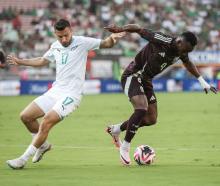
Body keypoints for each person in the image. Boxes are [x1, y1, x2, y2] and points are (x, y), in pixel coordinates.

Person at [6, 19, 125, 169]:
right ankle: (43, 146)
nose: (63, 39)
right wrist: (20, 61)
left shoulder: (82, 42)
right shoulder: (55, 46)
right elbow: (43, 60)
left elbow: (106, 43)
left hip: (72, 95)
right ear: (55, 34)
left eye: (66, 35)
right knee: (26, 116)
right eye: (60, 36)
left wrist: (113, 38)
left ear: (71, 30)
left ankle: (23, 159)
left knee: (47, 121)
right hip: (55, 91)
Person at [104, 24, 218, 166]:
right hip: (133, 75)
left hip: (146, 80)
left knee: (151, 119)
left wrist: (202, 81)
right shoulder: (163, 39)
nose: (185, 53)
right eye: (186, 49)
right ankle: (125, 147)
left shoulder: (182, 51)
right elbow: (139, 29)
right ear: (180, 41)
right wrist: (121, 28)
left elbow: (188, 63)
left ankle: (116, 129)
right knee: (141, 108)